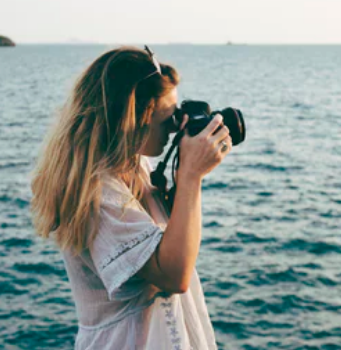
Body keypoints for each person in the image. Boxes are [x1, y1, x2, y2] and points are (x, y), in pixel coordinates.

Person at [29, 46, 232, 350]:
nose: (176, 125)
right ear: (132, 121)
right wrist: (191, 177)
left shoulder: (134, 166)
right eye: (166, 117)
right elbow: (174, 275)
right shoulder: (98, 194)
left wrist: (181, 177)